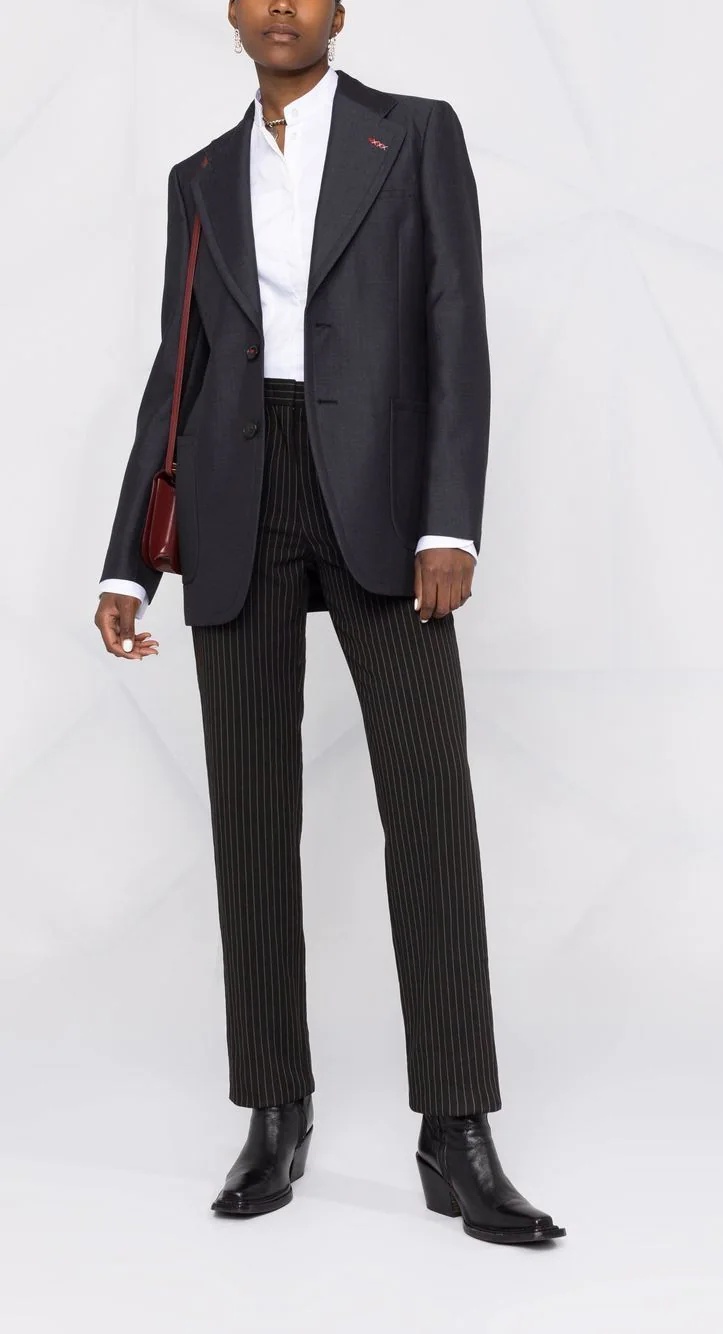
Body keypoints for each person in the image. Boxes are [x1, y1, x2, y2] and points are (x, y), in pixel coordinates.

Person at [93, 0, 565, 1245]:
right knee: (251, 817)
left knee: (429, 807)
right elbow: (177, 368)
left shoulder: (413, 135)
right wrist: (131, 562)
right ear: (232, 14)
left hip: (382, 494)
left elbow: (454, 319)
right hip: (237, 491)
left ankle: (455, 1128)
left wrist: (450, 521)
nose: (280, 9)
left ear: (337, 10)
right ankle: (275, 1107)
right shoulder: (200, 177)